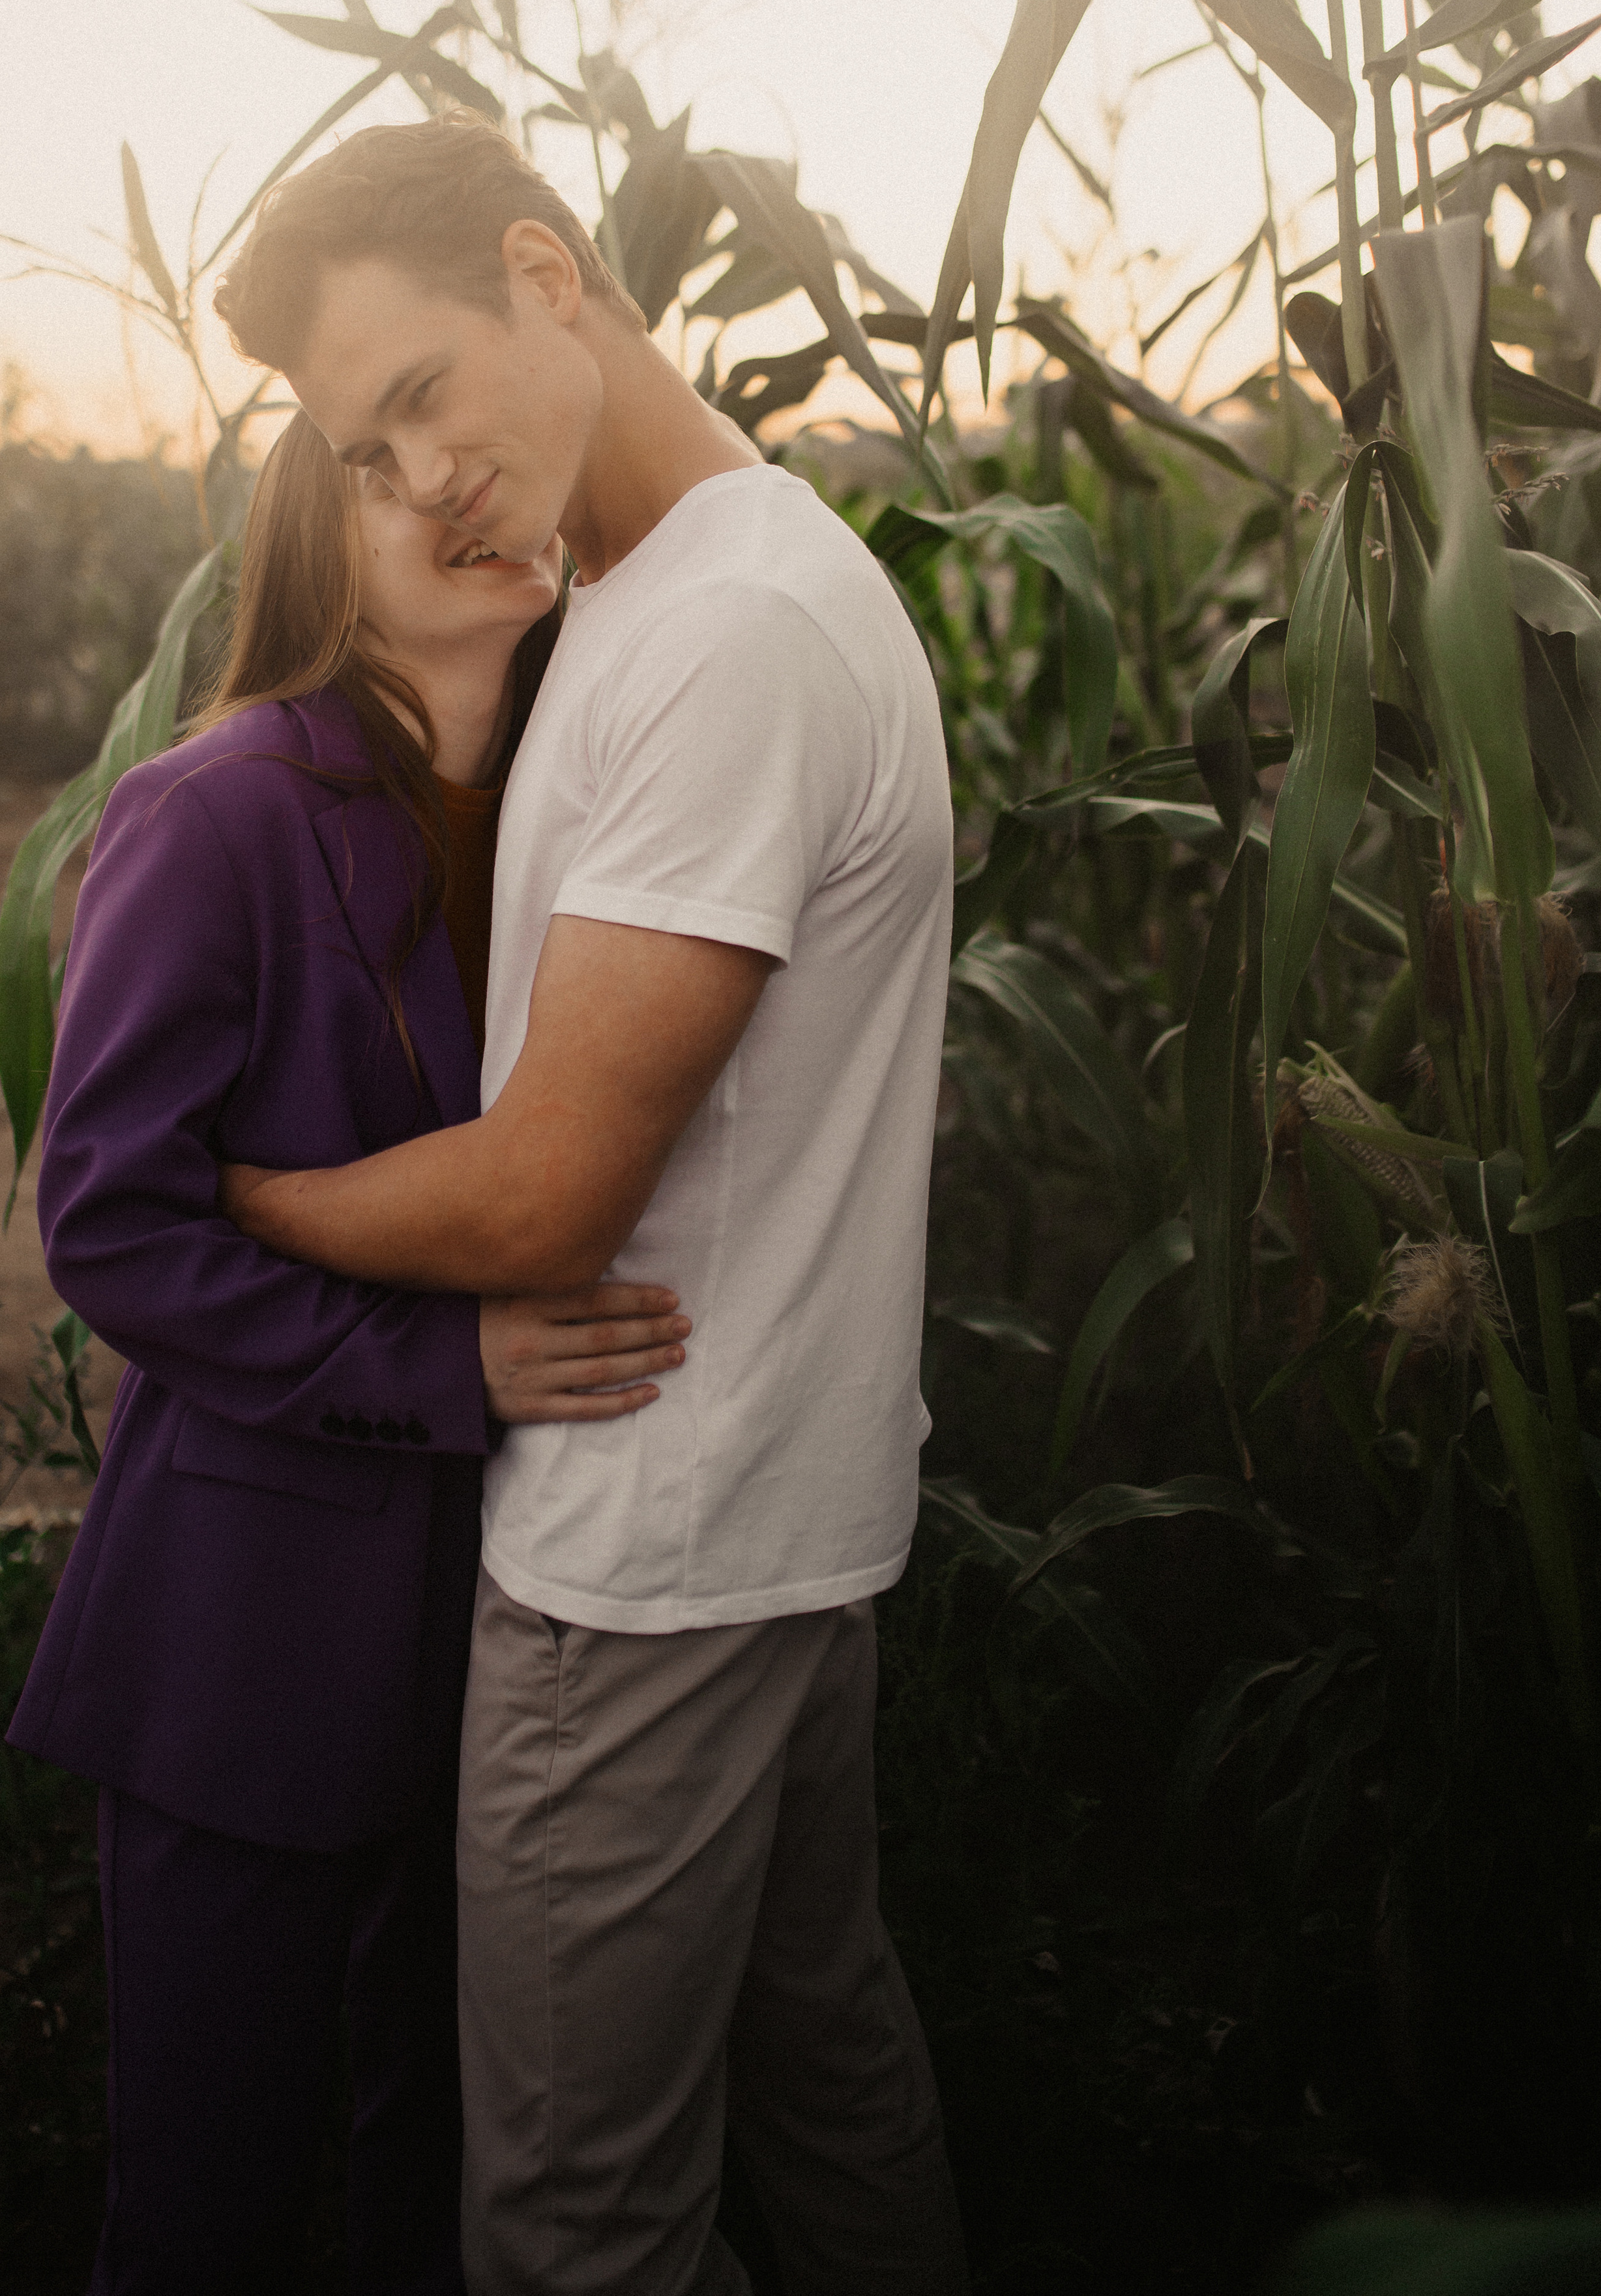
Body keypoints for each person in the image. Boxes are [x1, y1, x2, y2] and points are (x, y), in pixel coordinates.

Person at [213, 112, 969, 2296]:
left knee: (572, 2226)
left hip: (644, 1574)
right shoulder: (672, 593)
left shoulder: (730, 637)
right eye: (366, 450)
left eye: (424, 394)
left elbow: (551, 1189)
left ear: (551, 273)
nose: (417, 477)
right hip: (778, 1522)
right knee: (834, 2103)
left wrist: (250, 1197)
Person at [5, 409, 692, 2295]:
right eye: (393, 473)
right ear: (320, 528)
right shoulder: (217, 808)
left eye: (480, 457)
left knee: (442, 2207)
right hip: (246, 1637)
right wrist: (441, 1366)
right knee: (209, 2218)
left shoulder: (579, 812)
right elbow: (116, 1227)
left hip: (502, 1647)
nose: (464, 500)